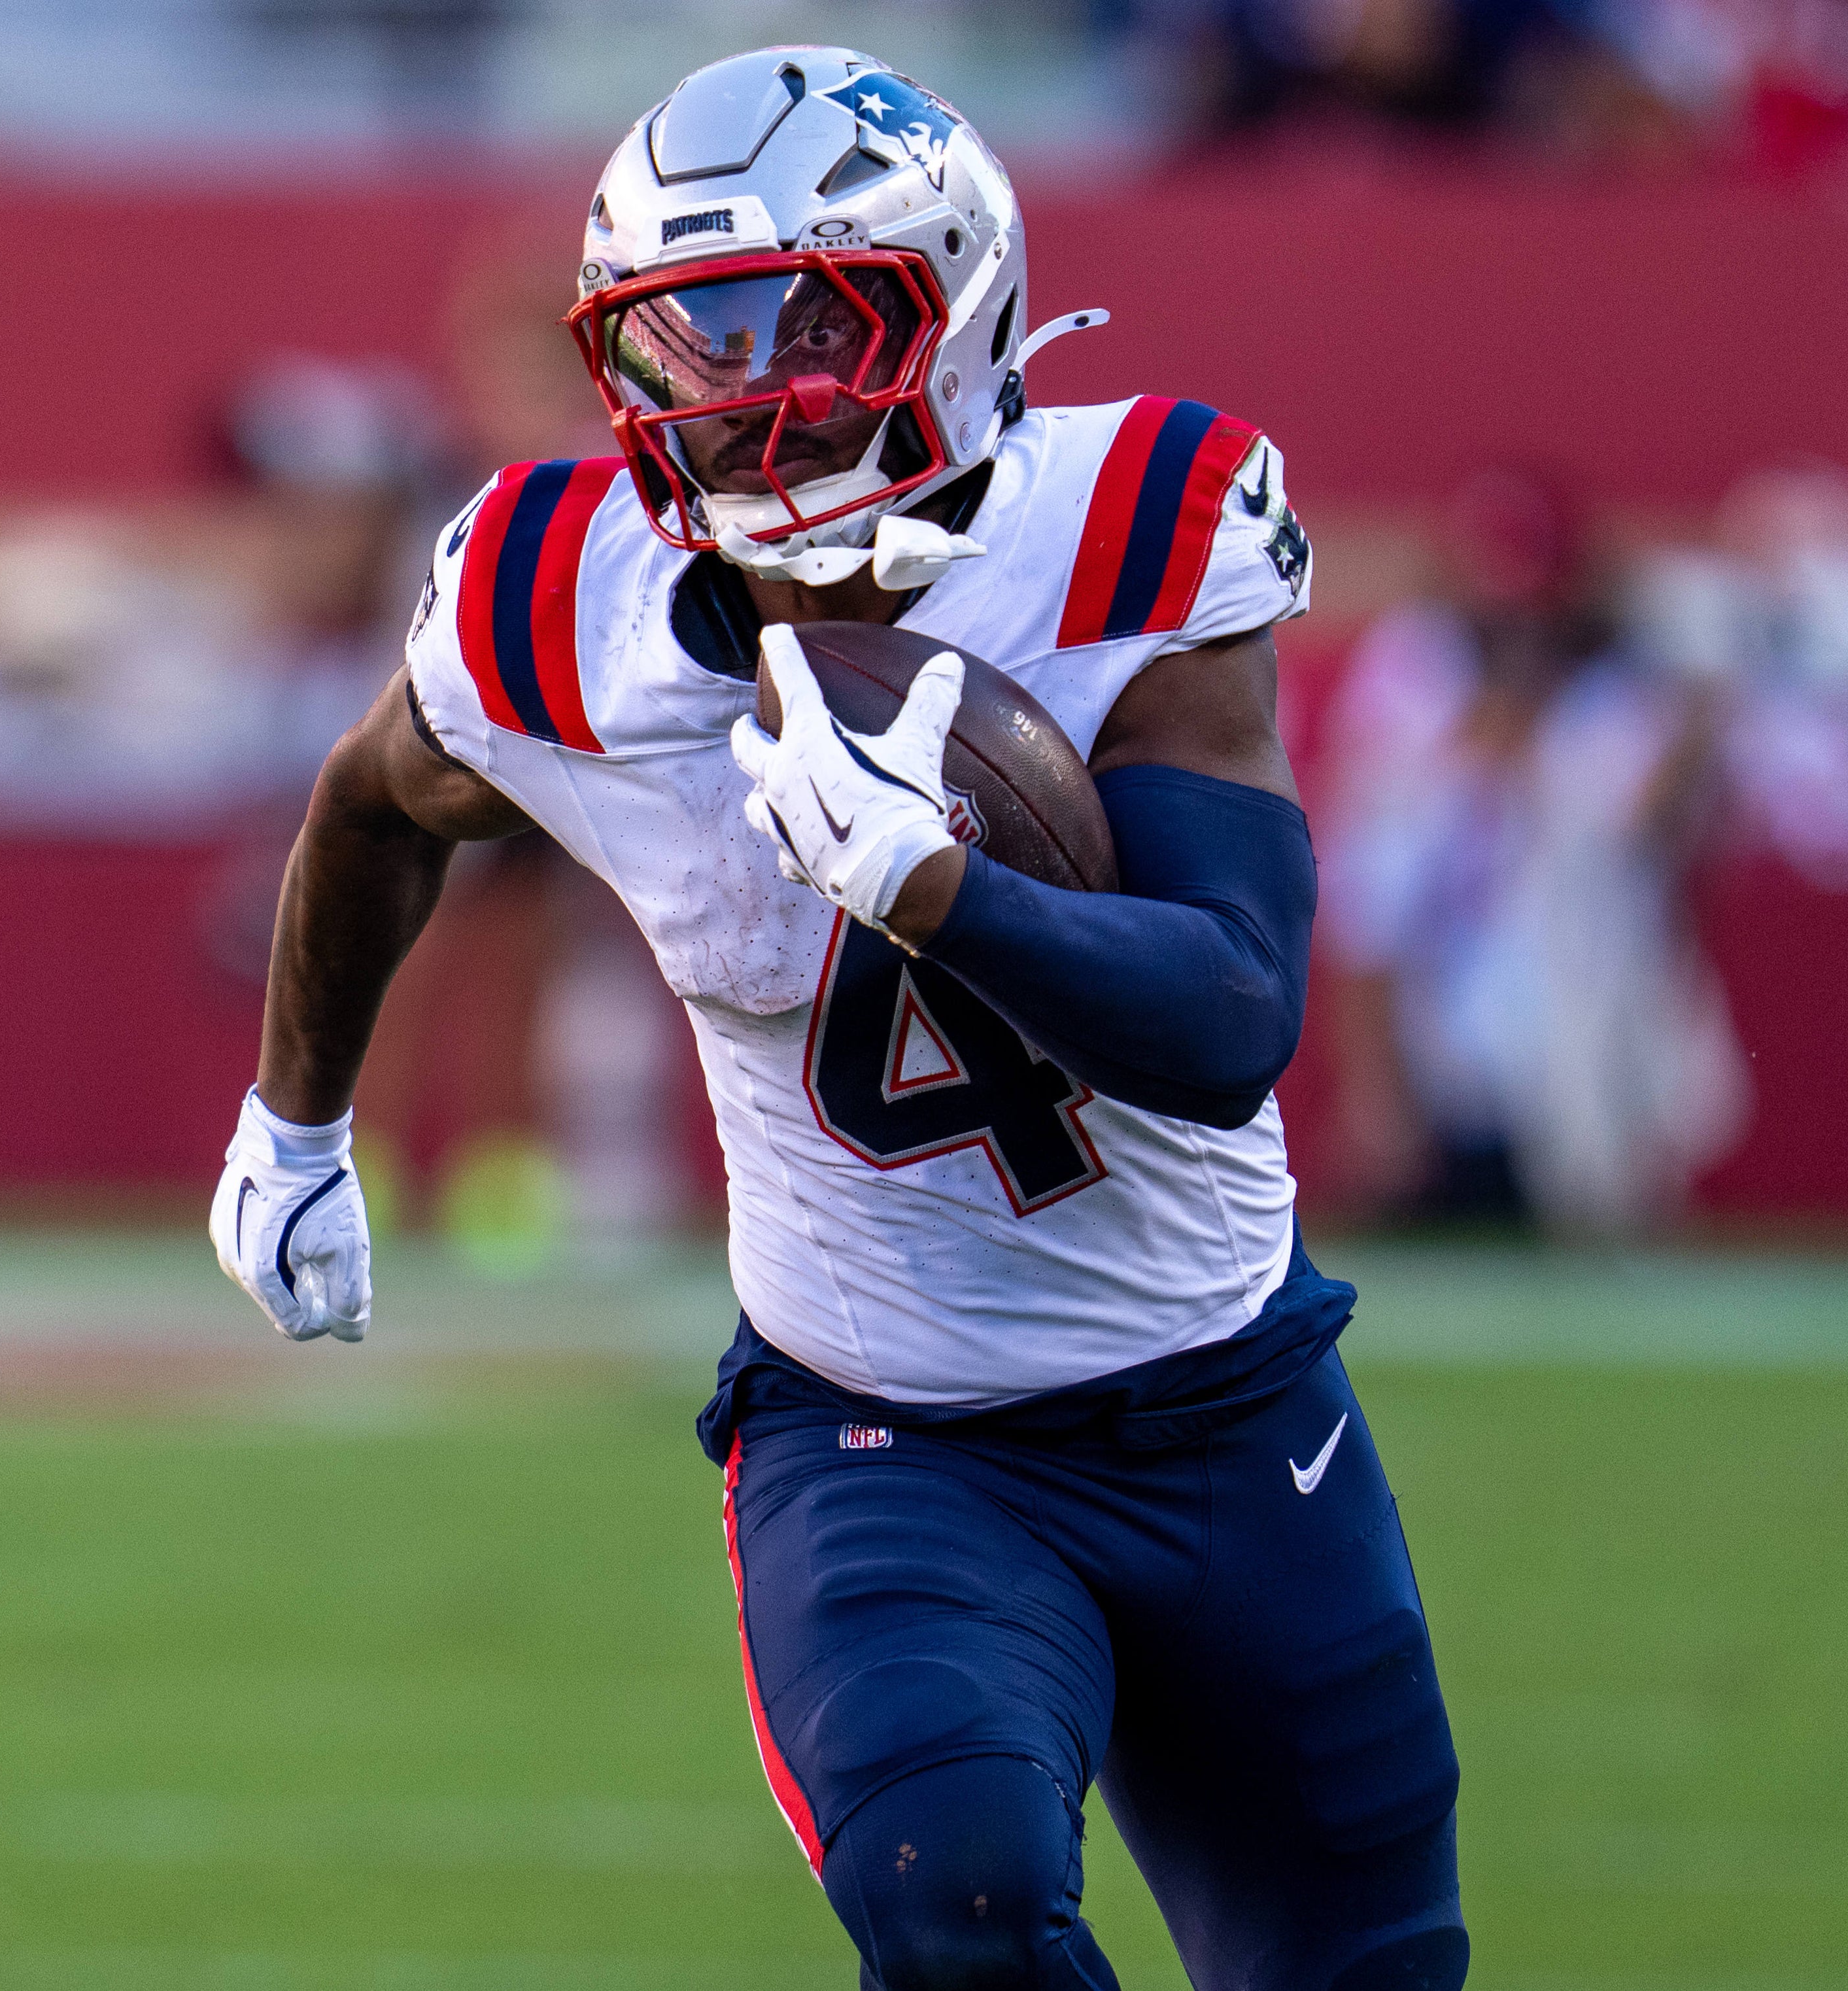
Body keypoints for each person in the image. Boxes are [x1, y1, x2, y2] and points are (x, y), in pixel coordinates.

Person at [211, 46, 1465, 1991]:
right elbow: (379, 796)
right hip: (886, 1430)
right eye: (681, 340)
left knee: (1365, 1965)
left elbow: (1231, 1022)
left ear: (953, 304)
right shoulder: (557, 603)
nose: (744, 394)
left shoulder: (1133, 525)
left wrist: (943, 891)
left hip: (1224, 1403)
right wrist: (293, 1123)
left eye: (802, 319)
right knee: (948, 1901)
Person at [1322, 467, 1744, 1231]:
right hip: (1456, 1072)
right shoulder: (1415, 689)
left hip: (1592, 1054)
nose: (1518, 634)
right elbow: (1371, 912)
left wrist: (1697, 715)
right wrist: (1377, 1097)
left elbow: (1648, 837)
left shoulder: (1616, 696)